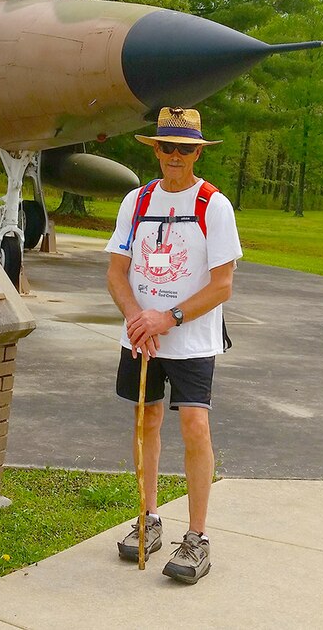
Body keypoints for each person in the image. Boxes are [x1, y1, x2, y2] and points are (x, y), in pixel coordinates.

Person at [106, 106, 243, 584]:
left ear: (198, 153)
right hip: (141, 337)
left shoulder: (214, 205)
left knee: (195, 429)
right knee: (146, 420)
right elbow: (116, 272)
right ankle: (148, 518)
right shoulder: (137, 201)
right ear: (157, 150)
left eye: (185, 149)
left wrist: (170, 316)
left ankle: (198, 538)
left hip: (192, 340)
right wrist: (137, 319)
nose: (176, 157)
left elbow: (223, 284)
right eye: (168, 147)